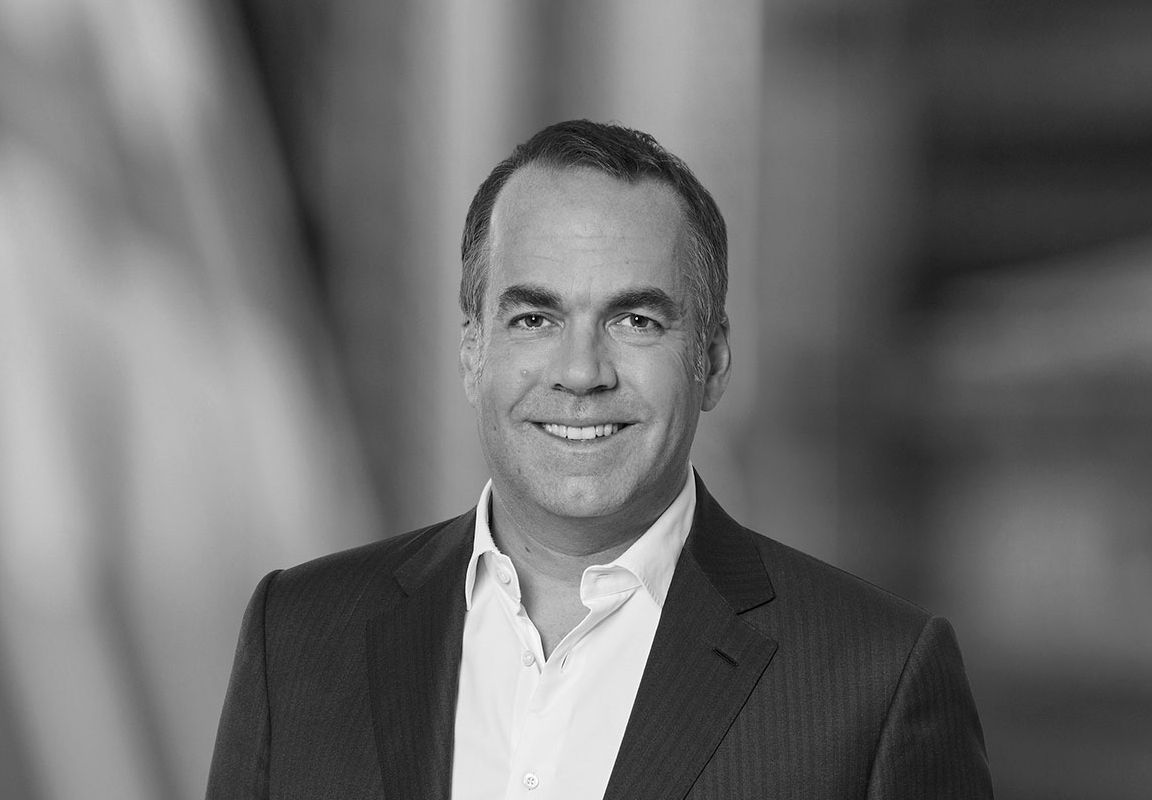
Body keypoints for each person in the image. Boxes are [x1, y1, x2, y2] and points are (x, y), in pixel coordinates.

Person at [207, 120, 993, 799]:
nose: (581, 372)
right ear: (473, 351)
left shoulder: (874, 681)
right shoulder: (296, 637)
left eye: (636, 320)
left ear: (712, 359)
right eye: (535, 318)